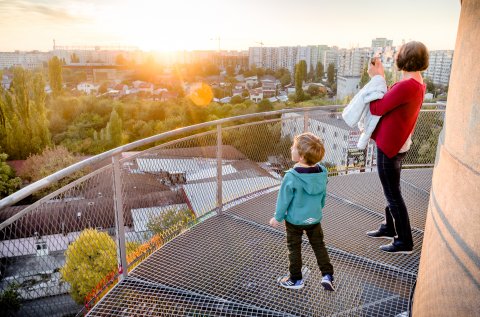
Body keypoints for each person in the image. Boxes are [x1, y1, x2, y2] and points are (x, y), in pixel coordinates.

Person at [366, 41, 429, 254]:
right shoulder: (418, 83)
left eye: (399, 54)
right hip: (400, 142)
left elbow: (376, 108)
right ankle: (389, 227)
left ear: (404, 59)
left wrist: (377, 78)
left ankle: (404, 241)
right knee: (392, 190)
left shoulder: (406, 86)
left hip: (390, 145)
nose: (395, 57)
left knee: (393, 194)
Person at [269, 132, 335, 291]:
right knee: (319, 246)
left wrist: (277, 218)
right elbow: (323, 194)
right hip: (315, 218)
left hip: (294, 221)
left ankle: (296, 279)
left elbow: (283, 200)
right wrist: (319, 207)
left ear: (301, 156)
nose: (291, 148)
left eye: (294, 147)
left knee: (294, 249)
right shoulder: (322, 172)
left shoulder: (291, 176)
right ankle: (327, 275)